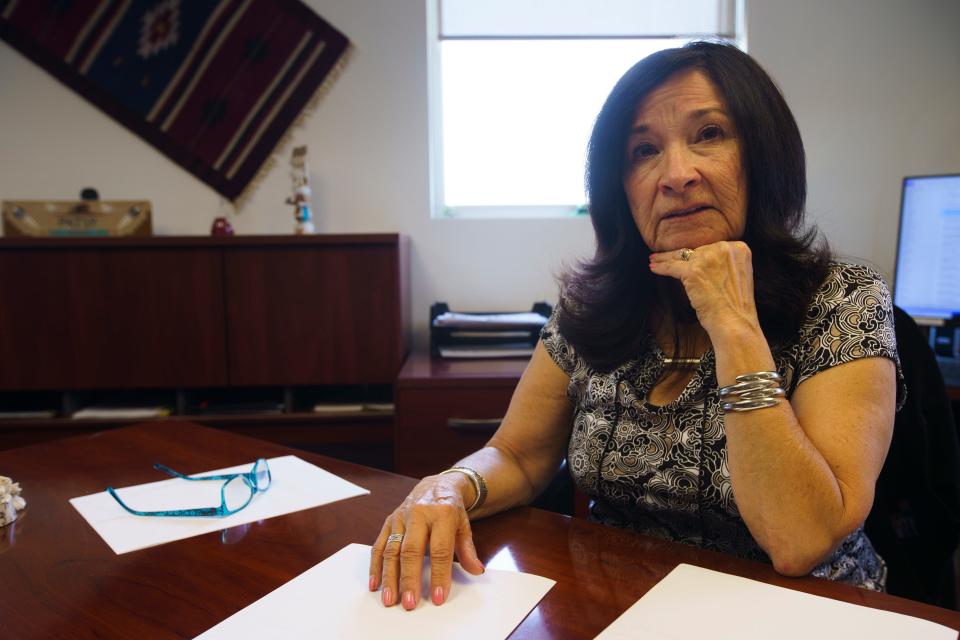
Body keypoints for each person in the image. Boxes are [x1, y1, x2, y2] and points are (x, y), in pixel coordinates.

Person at [369, 41, 904, 610]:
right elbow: (519, 456)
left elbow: (799, 540)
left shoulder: (843, 298)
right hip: (623, 606)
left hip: (801, 614)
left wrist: (732, 323)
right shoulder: (592, 305)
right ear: (620, 188)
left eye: (709, 134)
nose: (676, 175)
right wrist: (451, 485)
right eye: (644, 149)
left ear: (765, 155)